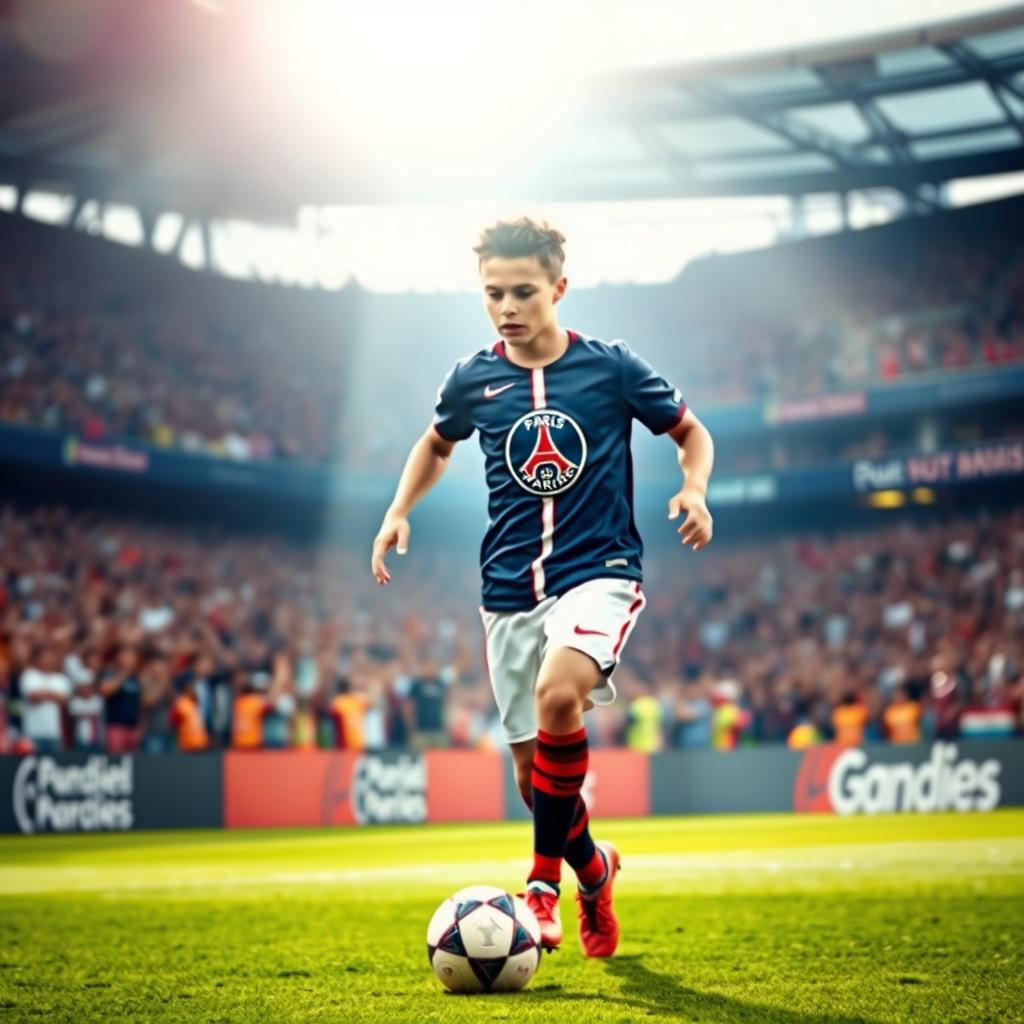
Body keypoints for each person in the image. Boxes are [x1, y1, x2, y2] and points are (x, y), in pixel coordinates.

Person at [371, 218, 714, 957]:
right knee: (536, 784)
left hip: (600, 570)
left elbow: (691, 432)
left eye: (523, 291)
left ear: (558, 287)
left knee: (562, 697)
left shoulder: (611, 368)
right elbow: (436, 443)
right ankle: (596, 871)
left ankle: (543, 886)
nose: (507, 307)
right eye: (493, 293)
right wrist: (400, 509)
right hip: (507, 590)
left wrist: (693, 489)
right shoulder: (473, 378)